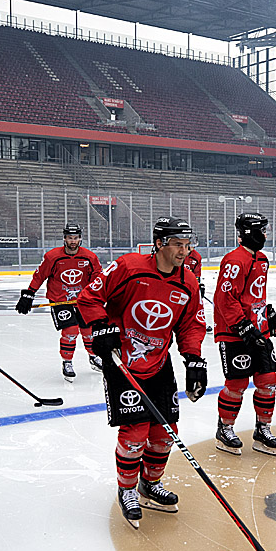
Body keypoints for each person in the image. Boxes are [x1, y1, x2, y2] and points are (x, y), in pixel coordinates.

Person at [76, 216, 207, 528]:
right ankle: (127, 489)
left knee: (164, 432)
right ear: (159, 243)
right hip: (122, 361)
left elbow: (190, 323)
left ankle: (150, 484)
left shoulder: (187, 280)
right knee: (135, 432)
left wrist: (194, 361)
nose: (184, 251)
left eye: (187, 245)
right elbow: (88, 298)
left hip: (159, 362)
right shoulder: (129, 267)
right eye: (178, 244)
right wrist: (101, 325)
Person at [212, 212, 276, 456]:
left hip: (258, 330)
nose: (265, 235)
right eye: (261, 230)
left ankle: (262, 429)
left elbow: (253, 296)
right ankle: (225, 429)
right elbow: (224, 299)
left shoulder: (261, 260)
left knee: (268, 380)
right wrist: (242, 325)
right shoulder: (234, 260)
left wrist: (267, 314)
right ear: (249, 232)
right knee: (237, 383)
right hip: (234, 333)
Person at [16, 224, 103, 381]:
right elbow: (39, 275)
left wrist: (98, 295)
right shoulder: (53, 257)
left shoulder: (89, 257)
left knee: (89, 330)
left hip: (83, 301)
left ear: (80, 238)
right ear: (64, 238)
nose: (73, 241)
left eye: (75, 238)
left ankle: (93, 356)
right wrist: (29, 294)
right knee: (71, 331)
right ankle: (67, 362)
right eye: (70, 238)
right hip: (60, 300)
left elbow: (98, 278)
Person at [182, 244, 212, 333]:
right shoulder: (178, 253)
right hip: (177, 282)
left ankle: (200, 322)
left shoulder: (196, 257)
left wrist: (198, 285)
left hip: (189, 283)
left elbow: (197, 273)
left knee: (197, 303)